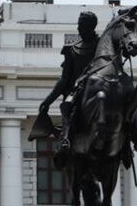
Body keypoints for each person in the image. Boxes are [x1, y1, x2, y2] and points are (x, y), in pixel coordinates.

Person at [35, 11, 100, 161]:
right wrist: (48, 101)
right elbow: (64, 80)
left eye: (82, 26)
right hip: (78, 92)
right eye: (79, 25)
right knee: (66, 105)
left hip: (101, 88)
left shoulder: (102, 46)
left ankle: (135, 135)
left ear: (91, 27)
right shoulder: (72, 50)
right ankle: (65, 138)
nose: (78, 29)